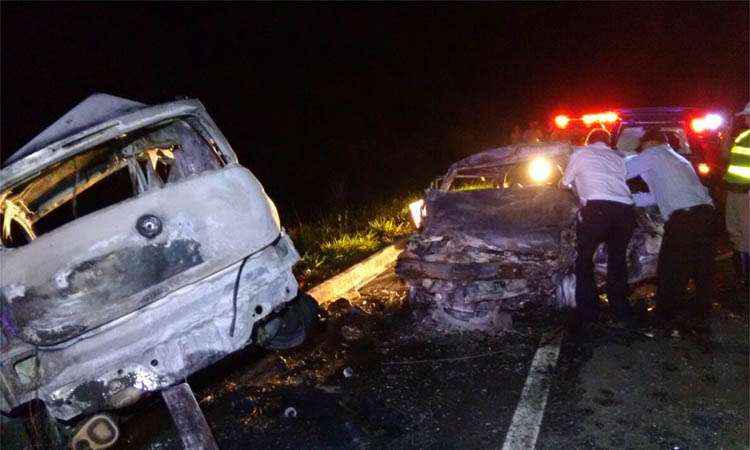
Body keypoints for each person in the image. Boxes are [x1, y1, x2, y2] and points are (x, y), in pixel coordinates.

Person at [626, 128, 715, 327]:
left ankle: (665, 316)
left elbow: (621, 169)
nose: (641, 149)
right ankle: (700, 312)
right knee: (701, 266)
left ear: (650, 143)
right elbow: (658, 195)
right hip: (706, 214)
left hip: (685, 218)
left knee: (671, 267)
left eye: (643, 146)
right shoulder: (675, 158)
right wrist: (628, 199)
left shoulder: (654, 154)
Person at [561, 128, 636, 330]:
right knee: (617, 260)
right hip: (626, 211)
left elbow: (564, 183)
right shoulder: (617, 157)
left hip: (597, 210)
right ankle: (621, 310)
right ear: (609, 142)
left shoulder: (581, 153)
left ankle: (589, 313)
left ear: (588, 141)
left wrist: (578, 193)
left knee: (584, 261)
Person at [723, 102, 750, 292]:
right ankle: (741, 276)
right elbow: (726, 156)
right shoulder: (743, 135)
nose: (745, 119)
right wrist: (725, 134)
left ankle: (746, 278)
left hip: (746, 194)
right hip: (734, 192)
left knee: (747, 236)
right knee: (735, 232)